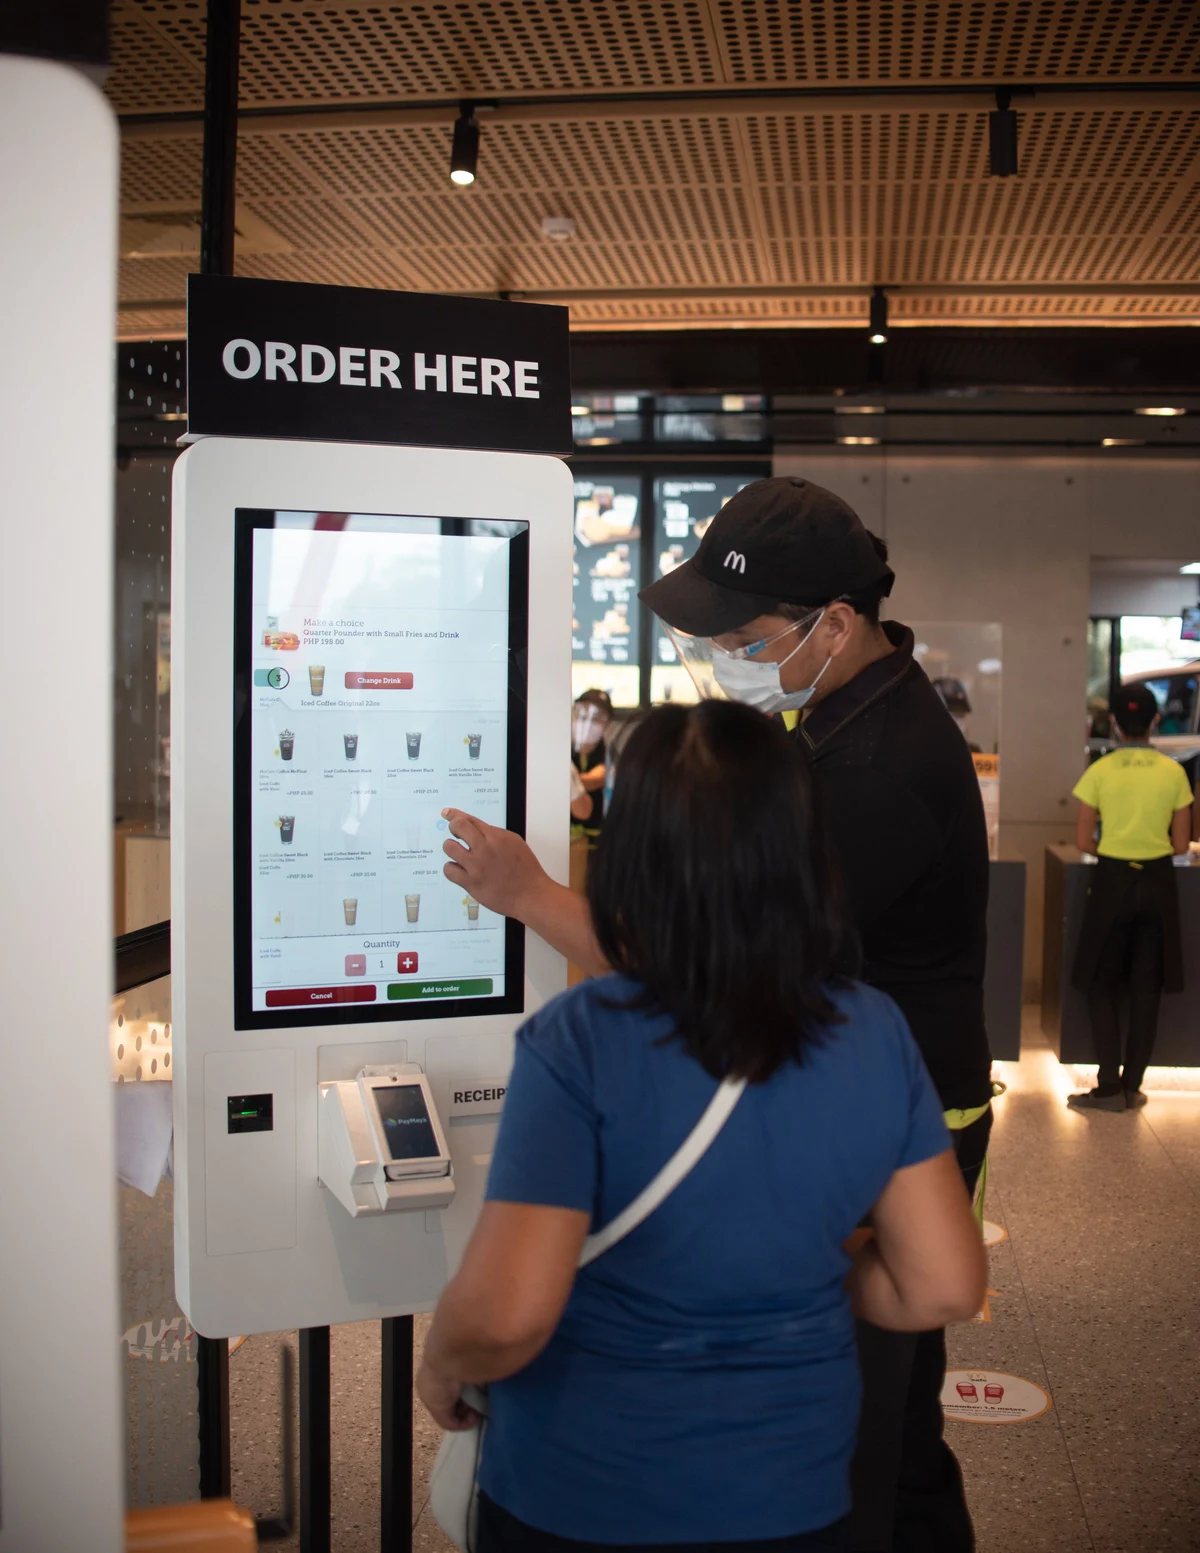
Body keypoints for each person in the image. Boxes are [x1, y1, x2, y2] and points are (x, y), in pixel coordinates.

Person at [440, 478, 994, 1553]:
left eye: (743, 636)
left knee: (878, 1433)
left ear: (836, 622)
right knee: (891, 1423)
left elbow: (717, 971)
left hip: (890, 1127)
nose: (723, 660)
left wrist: (531, 894)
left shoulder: (876, 772)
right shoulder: (847, 717)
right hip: (860, 1102)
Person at [1068, 683, 1193, 1112]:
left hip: (1112, 882)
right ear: (1155, 721)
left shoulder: (1099, 771)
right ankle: (1133, 1085)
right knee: (1146, 989)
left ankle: (1107, 1086)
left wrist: (1116, 852)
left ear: (1116, 723)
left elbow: (1084, 838)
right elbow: (1181, 845)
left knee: (1099, 986)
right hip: (1158, 884)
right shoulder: (1174, 773)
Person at [571, 689, 613, 837]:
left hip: (595, 839)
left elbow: (597, 779)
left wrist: (568, 779)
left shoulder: (608, 752)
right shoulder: (560, 747)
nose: (588, 723)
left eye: (596, 718)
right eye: (582, 715)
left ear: (607, 723)